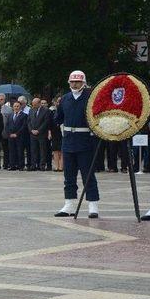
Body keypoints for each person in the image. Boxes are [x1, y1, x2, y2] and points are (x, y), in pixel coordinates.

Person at [54, 70, 99, 218]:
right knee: (69, 176)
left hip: (85, 140)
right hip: (68, 141)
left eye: (77, 82)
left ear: (83, 83)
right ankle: (69, 204)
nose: (74, 84)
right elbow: (58, 118)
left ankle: (93, 205)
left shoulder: (90, 98)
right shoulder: (65, 99)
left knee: (88, 175)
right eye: (72, 82)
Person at [27, 97, 50, 171]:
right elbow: (28, 122)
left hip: (42, 134)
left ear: (39, 103)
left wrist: (38, 130)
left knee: (42, 150)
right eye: (32, 104)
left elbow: (46, 122)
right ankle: (33, 165)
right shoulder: (31, 110)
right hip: (32, 134)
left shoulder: (46, 111)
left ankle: (42, 165)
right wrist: (31, 130)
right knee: (33, 150)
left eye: (35, 104)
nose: (33, 105)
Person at [6, 101, 27, 170]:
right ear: (13, 107)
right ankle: (12, 165)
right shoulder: (10, 115)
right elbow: (7, 125)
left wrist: (16, 134)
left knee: (20, 151)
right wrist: (10, 134)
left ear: (20, 107)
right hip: (11, 137)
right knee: (12, 151)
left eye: (17, 106)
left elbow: (24, 126)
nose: (16, 107)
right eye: (15, 106)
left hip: (20, 137)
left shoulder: (24, 115)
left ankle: (21, 166)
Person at [0, 94, 12, 169]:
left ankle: (6, 164)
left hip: (5, 132)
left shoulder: (9, 109)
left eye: (1, 99)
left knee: (6, 150)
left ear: (4, 100)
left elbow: (11, 121)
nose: (0, 100)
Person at [49, 96, 63, 171]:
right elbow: (50, 123)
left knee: (62, 150)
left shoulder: (65, 110)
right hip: (54, 132)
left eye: (60, 101)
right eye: (57, 101)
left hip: (63, 132)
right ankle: (56, 166)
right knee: (55, 150)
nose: (58, 103)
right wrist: (49, 132)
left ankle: (61, 166)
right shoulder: (52, 111)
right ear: (54, 102)